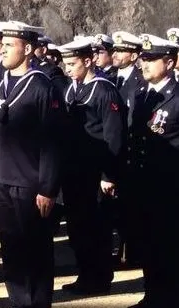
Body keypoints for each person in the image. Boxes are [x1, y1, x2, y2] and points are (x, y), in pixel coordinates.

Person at [0, 21, 64, 308]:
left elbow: (53, 141)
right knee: (11, 250)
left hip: (31, 183)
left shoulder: (42, 87)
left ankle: (38, 302)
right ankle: (18, 301)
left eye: (10, 45)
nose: (3, 49)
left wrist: (48, 188)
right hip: (3, 180)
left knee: (36, 252)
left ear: (28, 49)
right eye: (3, 44)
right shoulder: (1, 84)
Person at [57, 38, 127, 295]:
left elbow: (113, 136)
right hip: (75, 172)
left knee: (97, 228)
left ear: (88, 62)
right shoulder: (71, 89)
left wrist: (109, 174)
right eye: (65, 65)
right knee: (78, 228)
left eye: (73, 64)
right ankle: (85, 274)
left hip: (96, 172)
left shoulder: (103, 90)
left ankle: (99, 278)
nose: (68, 70)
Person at [124, 34, 179, 308]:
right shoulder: (142, 95)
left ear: (169, 63)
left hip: (170, 187)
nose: (143, 64)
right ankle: (153, 294)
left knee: (169, 246)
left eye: (150, 59)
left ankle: (169, 298)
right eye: (142, 59)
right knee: (147, 242)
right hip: (143, 183)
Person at [107, 31, 145, 268]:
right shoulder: (109, 78)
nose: (116, 54)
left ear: (133, 55)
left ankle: (131, 252)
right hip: (114, 151)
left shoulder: (139, 82)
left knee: (131, 205)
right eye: (116, 50)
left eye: (122, 51)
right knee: (114, 207)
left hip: (132, 151)